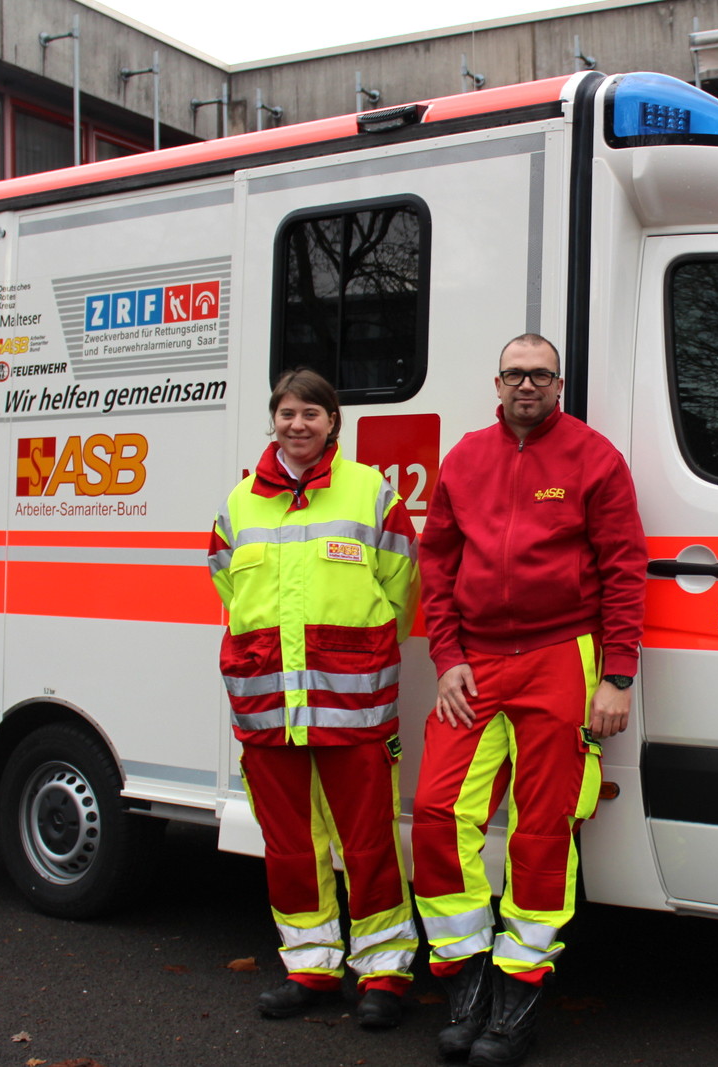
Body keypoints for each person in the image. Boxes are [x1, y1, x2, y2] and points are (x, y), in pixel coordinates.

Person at [413, 334, 648, 1066]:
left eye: (539, 375)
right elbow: (438, 564)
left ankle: (517, 1000)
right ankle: (467, 980)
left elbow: (624, 569)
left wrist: (617, 675)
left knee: (544, 828)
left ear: (558, 383)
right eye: (515, 373)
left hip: (560, 654)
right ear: (498, 380)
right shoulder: (466, 458)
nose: (526, 385)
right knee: (435, 809)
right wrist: (446, 657)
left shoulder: (595, 457)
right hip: (476, 662)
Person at [208, 367, 418, 1029]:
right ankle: (312, 967)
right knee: (291, 847)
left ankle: (383, 973)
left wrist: (361, 657)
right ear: (274, 419)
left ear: (334, 422)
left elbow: (403, 588)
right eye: (288, 412)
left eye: (312, 414)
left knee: (369, 843)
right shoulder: (239, 502)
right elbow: (226, 589)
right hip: (268, 710)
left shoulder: (369, 492)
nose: (298, 424)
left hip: (353, 708)